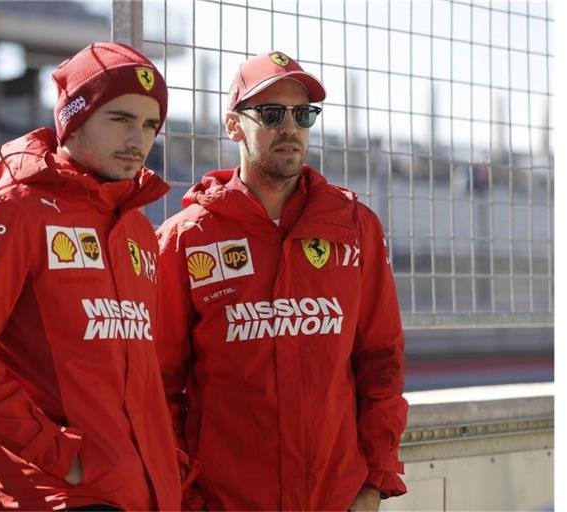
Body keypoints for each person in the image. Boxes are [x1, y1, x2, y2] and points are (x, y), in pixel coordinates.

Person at [0, 43, 189, 511]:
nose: (139, 139)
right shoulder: (13, 212)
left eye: (150, 125)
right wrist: (58, 455)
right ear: (74, 117)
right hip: (65, 496)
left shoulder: (138, 229)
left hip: (147, 494)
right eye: (121, 119)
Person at [155, 51, 408, 511]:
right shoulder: (186, 238)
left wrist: (373, 483)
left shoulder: (355, 227)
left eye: (303, 114)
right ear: (234, 126)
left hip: (336, 497)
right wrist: (185, 496)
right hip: (225, 501)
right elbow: (159, 386)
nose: (290, 127)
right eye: (271, 114)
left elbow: (380, 364)